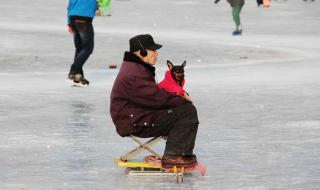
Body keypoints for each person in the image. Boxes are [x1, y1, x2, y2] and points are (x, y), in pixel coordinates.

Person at [110, 34, 199, 168]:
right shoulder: (134, 73)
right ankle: (174, 156)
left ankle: (177, 154)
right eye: (153, 50)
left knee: (183, 108)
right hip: (134, 121)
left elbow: (151, 96)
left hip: (135, 116)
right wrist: (180, 99)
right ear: (142, 52)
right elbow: (155, 97)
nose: (157, 53)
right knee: (187, 111)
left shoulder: (136, 67)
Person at [67, 0, 97, 86]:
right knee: (88, 48)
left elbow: (70, 5)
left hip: (73, 18)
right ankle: (74, 71)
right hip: (84, 19)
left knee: (80, 48)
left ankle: (77, 76)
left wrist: (69, 23)